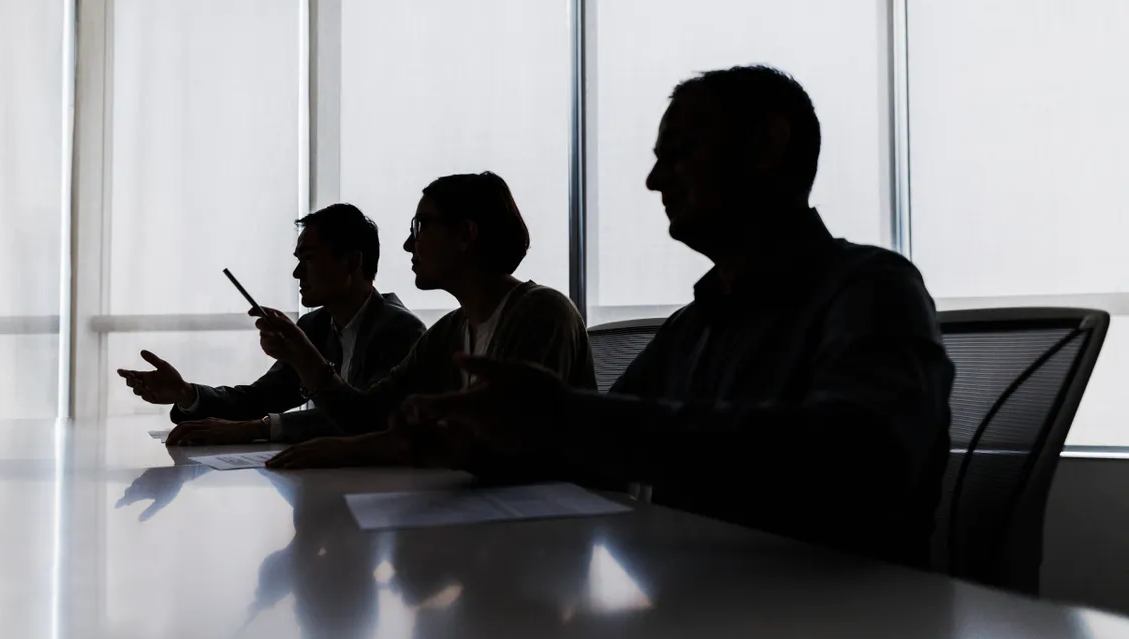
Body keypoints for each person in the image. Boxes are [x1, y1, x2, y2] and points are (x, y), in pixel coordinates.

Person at [399, 66, 955, 568]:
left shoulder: (873, 288)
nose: (654, 180)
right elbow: (600, 448)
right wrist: (486, 446)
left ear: (766, 145)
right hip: (707, 616)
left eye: (680, 152)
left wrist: (564, 419)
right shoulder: (695, 325)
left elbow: (858, 456)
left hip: (844, 630)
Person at [255, 171, 596, 468]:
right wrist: (300, 353)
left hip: (554, 525)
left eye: (421, 226)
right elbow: (366, 416)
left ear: (466, 234)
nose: (407, 244)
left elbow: (501, 442)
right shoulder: (450, 330)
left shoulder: (544, 313)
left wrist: (352, 449)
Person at [119, 203, 426, 444]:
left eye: (307, 258)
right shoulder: (316, 326)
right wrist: (186, 393)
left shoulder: (400, 331)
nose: (296, 273)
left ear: (351, 262)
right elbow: (259, 398)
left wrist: (258, 429)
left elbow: (363, 417)